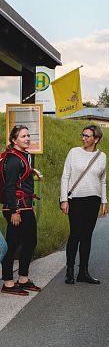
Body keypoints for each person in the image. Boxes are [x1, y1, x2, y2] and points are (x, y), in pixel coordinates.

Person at [60, 124, 107, 285]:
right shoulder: (74, 152)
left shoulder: (102, 156)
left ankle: (83, 272)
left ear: (97, 139)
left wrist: (104, 201)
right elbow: (65, 176)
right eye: (83, 135)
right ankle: (70, 271)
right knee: (75, 235)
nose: (83, 138)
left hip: (93, 200)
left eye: (87, 136)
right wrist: (63, 199)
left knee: (87, 237)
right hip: (76, 199)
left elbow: (103, 180)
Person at [1, 125, 42, 296]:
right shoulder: (12, 159)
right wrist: (13, 211)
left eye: (28, 135)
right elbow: (10, 187)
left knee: (30, 241)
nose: (27, 138)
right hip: (16, 208)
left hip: (24, 206)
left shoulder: (22, 156)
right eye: (23, 136)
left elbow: (21, 177)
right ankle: (8, 283)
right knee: (12, 245)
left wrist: (32, 170)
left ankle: (23, 278)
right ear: (13, 140)